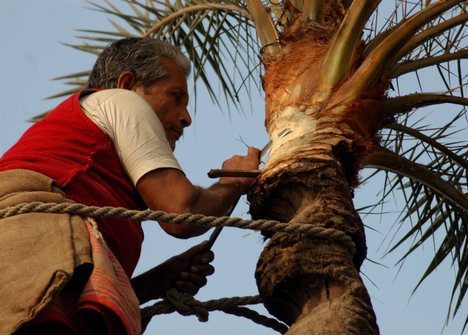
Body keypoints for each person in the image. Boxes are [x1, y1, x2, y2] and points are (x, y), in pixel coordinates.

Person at [0, 37, 260, 335]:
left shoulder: (110, 185)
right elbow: (181, 211)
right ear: (127, 84)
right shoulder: (119, 100)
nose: (186, 118)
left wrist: (154, 283)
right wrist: (233, 182)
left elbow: (74, 297)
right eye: (175, 97)